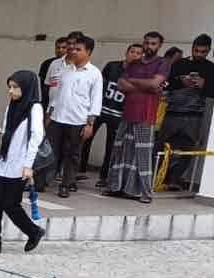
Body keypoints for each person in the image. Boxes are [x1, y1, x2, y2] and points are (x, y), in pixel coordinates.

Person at [0, 71, 46, 254]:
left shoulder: (34, 108)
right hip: (4, 161)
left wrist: (28, 166)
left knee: (10, 203)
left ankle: (34, 231)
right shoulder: (13, 106)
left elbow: (36, 137)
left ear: (26, 88)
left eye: (15, 87)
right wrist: (2, 133)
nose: (11, 91)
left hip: (20, 164)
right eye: (10, 87)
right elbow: (10, 131)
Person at [109, 31, 170, 203]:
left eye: (153, 44)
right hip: (128, 113)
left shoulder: (162, 63)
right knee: (120, 151)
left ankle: (144, 193)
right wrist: (146, 85)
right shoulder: (134, 64)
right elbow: (121, 84)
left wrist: (134, 82)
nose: (149, 46)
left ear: (159, 46)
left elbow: (155, 83)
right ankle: (117, 187)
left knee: (142, 154)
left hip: (146, 114)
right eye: (147, 43)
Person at [156, 34, 214, 191]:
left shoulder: (211, 68)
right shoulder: (179, 64)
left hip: (195, 116)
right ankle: (156, 177)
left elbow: (212, 93)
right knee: (162, 146)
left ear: (208, 51)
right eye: (196, 50)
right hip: (172, 112)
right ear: (192, 48)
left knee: (187, 148)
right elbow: (164, 84)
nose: (199, 54)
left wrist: (204, 85)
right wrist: (180, 82)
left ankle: (175, 179)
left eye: (203, 52)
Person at [47, 34, 102, 197]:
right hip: (57, 118)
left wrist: (90, 124)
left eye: (79, 49)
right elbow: (56, 94)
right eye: (73, 49)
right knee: (50, 152)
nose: (74, 52)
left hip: (77, 121)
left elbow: (96, 100)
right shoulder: (64, 69)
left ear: (88, 52)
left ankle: (66, 184)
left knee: (72, 155)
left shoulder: (94, 74)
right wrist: (49, 113)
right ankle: (42, 181)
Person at [91, 44, 143, 189]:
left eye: (138, 53)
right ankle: (78, 170)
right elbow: (99, 86)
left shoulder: (139, 74)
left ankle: (104, 176)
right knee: (85, 138)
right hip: (101, 109)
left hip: (119, 114)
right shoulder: (112, 66)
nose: (134, 55)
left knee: (111, 147)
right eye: (132, 51)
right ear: (126, 53)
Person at [39, 37, 68, 108]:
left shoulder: (73, 64)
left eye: (64, 48)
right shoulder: (47, 63)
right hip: (48, 103)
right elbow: (44, 86)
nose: (60, 50)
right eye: (58, 47)